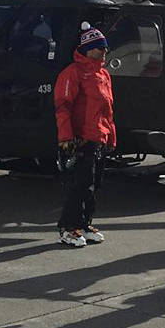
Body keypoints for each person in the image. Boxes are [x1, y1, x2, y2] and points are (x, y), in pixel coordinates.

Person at [54, 23, 116, 248]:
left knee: (93, 184)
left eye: (105, 47)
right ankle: (68, 227)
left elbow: (108, 109)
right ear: (87, 48)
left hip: (99, 137)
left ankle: (84, 223)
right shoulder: (73, 73)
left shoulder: (103, 74)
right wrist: (66, 137)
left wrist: (111, 137)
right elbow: (63, 106)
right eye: (99, 47)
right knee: (79, 184)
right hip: (81, 137)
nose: (103, 51)